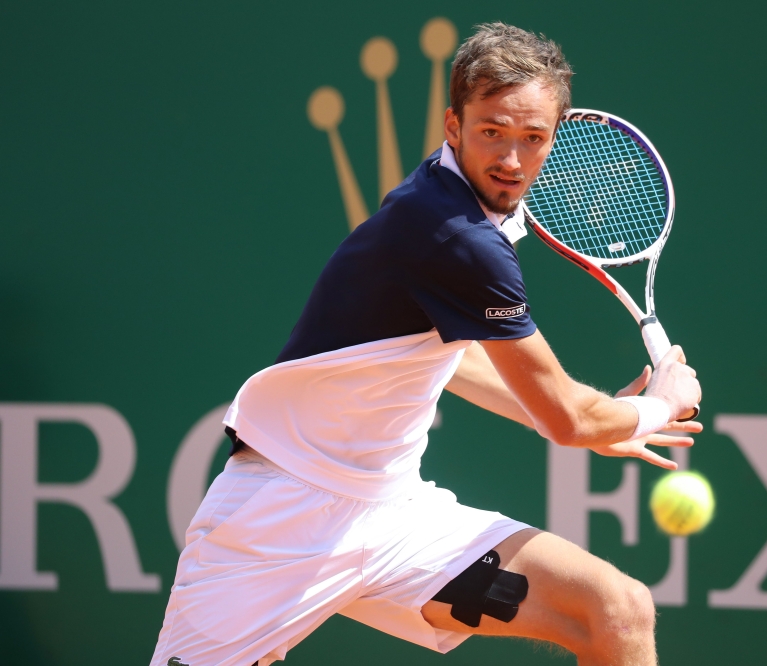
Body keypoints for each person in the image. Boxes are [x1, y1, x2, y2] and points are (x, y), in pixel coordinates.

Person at [150, 22, 702, 666]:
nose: (512, 161)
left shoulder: (451, 199)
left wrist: (596, 422)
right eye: (493, 132)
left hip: (393, 518)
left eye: (533, 139)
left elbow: (454, 353)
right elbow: (567, 418)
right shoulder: (460, 237)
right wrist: (658, 404)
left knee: (614, 608)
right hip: (278, 519)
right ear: (453, 124)